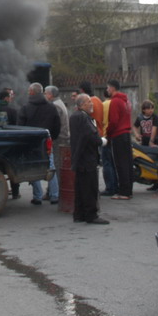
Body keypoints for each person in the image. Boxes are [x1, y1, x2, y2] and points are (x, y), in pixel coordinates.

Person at [18, 82, 60, 205]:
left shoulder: (25, 108)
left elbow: (19, 127)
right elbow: (57, 125)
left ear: (31, 92)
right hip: (46, 141)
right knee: (50, 167)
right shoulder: (51, 107)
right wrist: (52, 137)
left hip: (30, 143)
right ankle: (55, 196)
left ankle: (37, 196)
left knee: (33, 168)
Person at [69, 94, 108, 224]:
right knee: (90, 187)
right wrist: (101, 141)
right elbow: (90, 135)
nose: (91, 104)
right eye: (88, 102)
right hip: (86, 158)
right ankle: (91, 215)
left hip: (79, 157)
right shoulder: (83, 117)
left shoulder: (76, 116)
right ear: (82, 105)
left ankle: (79, 214)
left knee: (80, 187)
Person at [106, 79, 133, 200]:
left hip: (118, 134)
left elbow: (113, 121)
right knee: (127, 163)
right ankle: (128, 189)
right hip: (126, 133)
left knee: (120, 164)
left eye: (107, 88)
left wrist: (108, 133)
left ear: (112, 88)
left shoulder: (115, 101)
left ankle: (123, 192)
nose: (107, 90)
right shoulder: (126, 101)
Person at [44, 85, 70, 203]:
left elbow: (56, 125)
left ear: (50, 94)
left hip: (59, 139)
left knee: (56, 166)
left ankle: (58, 192)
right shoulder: (59, 103)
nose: (45, 95)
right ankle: (51, 191)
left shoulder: (55, 106)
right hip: (62, 138)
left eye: (46, 93)